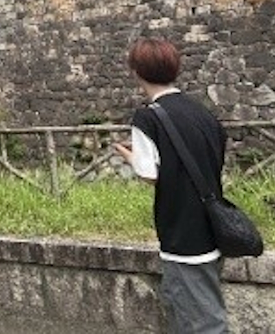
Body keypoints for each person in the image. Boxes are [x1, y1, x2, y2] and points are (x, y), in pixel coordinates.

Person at [114, 37, 229, 333]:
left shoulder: (147, 117)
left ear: (136, 72)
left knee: (201, 324)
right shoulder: (202, 112)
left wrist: (128, 155)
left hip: (182, 235)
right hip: (214, 228)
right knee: (203, 314)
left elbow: (149, 174)